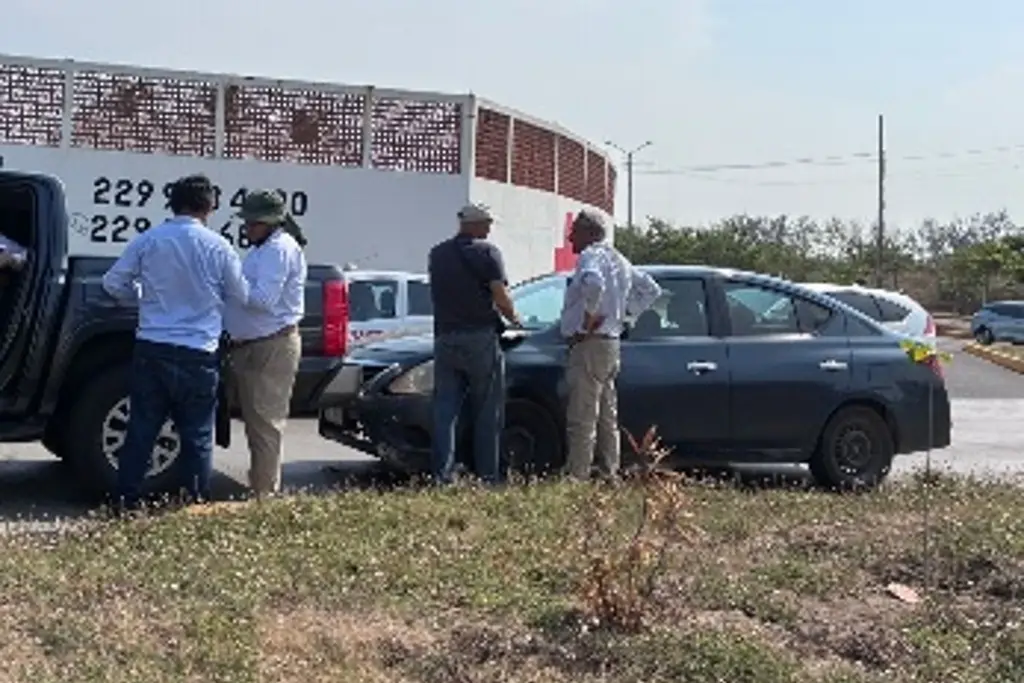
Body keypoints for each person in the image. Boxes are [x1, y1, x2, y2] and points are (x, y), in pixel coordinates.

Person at [102, 174, 249, 510]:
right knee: (197, 434)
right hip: (199, 351)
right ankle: (193, 503)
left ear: (172, 202)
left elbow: (113, 283)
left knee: (141, 429)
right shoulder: (220, 246)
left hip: (152, 346)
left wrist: (142, 299)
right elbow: (240, 294)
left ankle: (126, 501)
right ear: (209, 206)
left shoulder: (149, 240)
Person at [559, 209, 661, 482]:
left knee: (583, 413)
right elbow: (651, 289)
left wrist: (588, 319)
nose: (570, 238)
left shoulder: (590, 257)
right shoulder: (620, 259)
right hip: (611, 342)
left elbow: (593, 284)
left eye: (575, 231)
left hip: (589, 343)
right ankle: (609, 472)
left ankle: (578, 474)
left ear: (590, 233)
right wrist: (627, 316)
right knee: (607, 413)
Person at [427, 203, 520, 485]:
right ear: (477, 225)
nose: (490, 229)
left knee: (445, 410)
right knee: (487, 410)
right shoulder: (488, 253)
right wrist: (515, 318)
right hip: (480, 338)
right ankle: (488, 475)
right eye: (487, 223)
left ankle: (441, 475)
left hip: (445, 337)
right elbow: (500, 297)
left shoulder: (438, 254)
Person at [223, 190, 307, 498]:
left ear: (271, 223)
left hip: (270, 345)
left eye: (254, 223)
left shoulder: (278, 250)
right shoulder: (264, 249)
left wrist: (230, 281)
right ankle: (260, 488)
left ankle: (264, 495)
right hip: (254, 345)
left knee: (265, 425)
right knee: (256, 423)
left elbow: (262, 301)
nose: (248, 228)